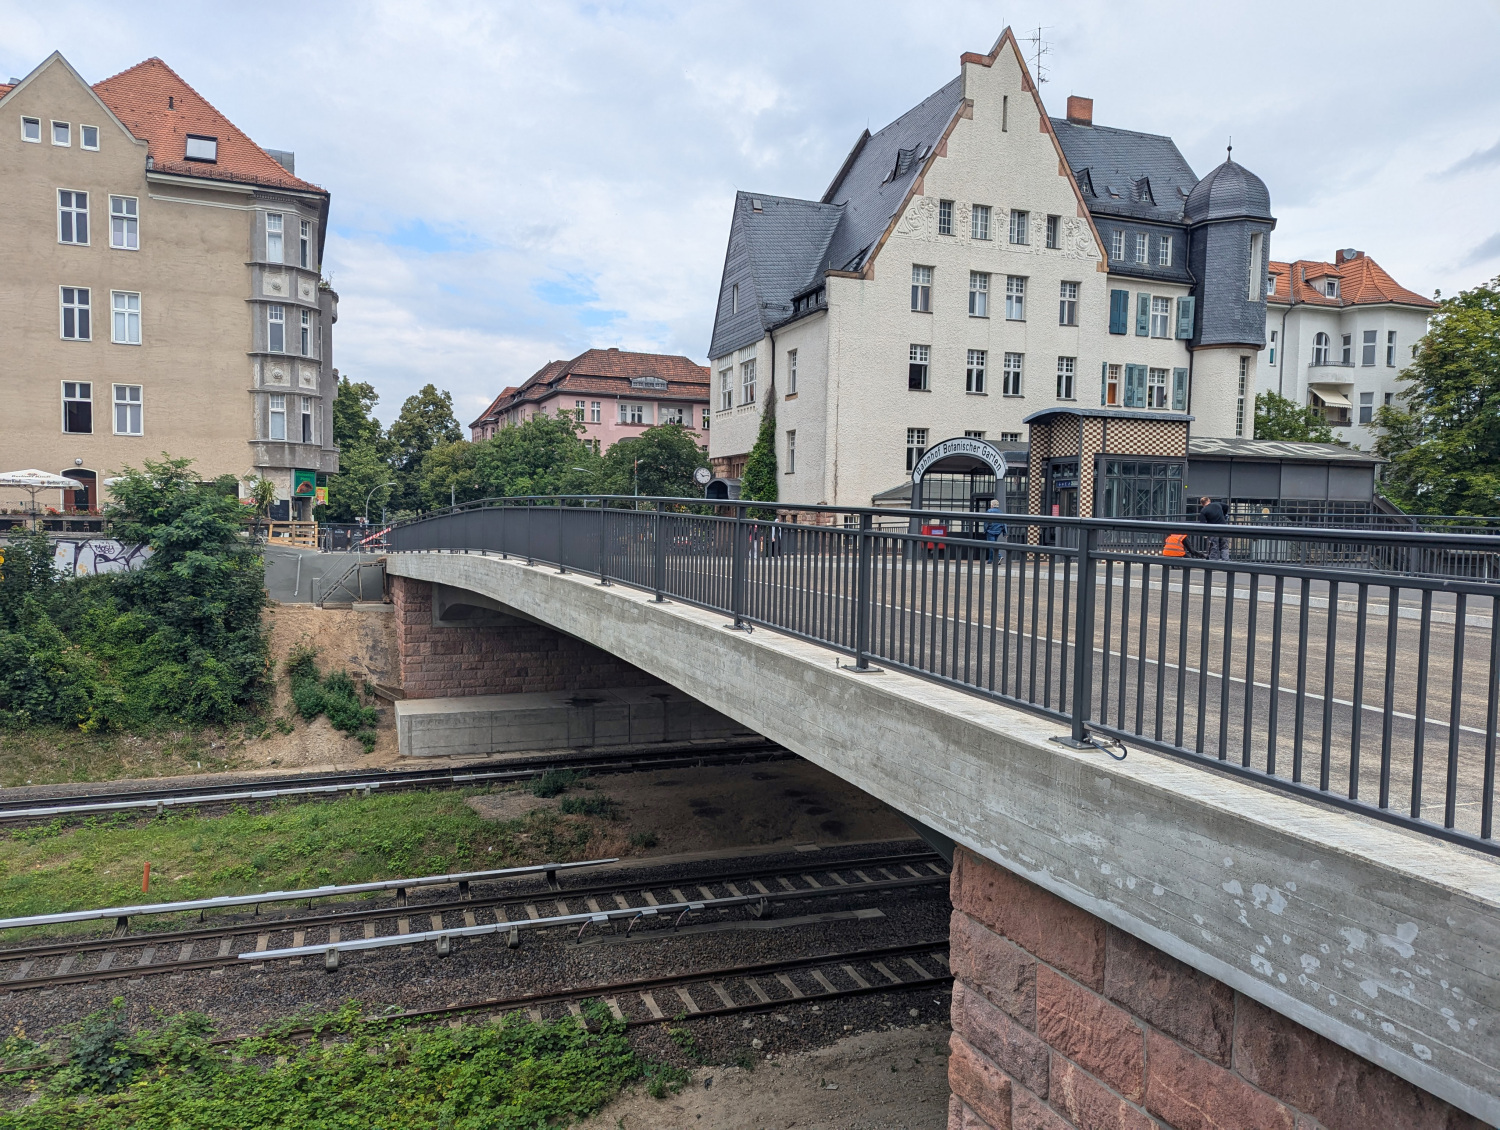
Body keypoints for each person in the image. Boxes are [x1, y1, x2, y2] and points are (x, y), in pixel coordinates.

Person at [1198, 495, 1229, 561]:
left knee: (1214, 546)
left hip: (1213, 530)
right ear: (1209, 500)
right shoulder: (1217, 504)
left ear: (1202, 504)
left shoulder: (1204, 511)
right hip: (1224, 528)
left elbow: (1202, 523)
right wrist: (1224, 514)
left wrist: (1205, 534)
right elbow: (1226, 506)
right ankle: (1226, 562)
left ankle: (1213, 563)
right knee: (1224, 546)